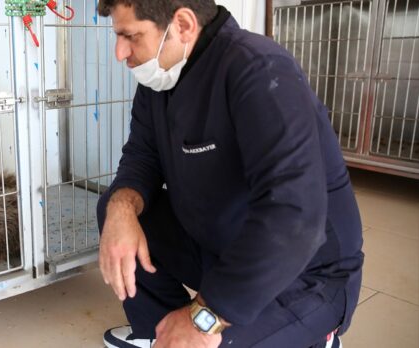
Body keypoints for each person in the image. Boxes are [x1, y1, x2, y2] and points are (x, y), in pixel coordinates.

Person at [95, 1, 364, 347]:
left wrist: (205, 318)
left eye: (130, 36)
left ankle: (313, 336)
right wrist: (121, 207)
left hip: (303, 271)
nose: (120, 52)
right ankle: (160, 332)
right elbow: (142, 157)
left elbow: (294, 216)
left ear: (184, 25)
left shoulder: (260, 71)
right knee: (117, 209)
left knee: (218, 334)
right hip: (221, 246)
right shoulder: (159, 78)